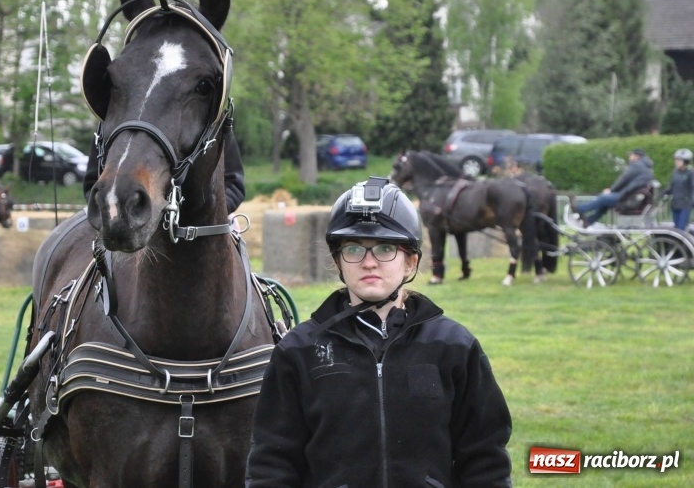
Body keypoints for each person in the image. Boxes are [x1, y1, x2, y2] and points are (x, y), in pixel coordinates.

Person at [245, 177, 512, 487]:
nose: (369, 262)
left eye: (385, 248)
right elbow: (271, 464)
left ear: (410, 261)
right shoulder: (299, 351)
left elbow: (485, 458)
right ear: (338, 261)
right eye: (355, 249)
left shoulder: (454, 347)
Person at [82, 126, 246, 213]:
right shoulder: (114, 118)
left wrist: (214, 214)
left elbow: (234, 185)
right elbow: (92, 185)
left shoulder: (211, 120)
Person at [571, 148, 655, 226]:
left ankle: (580, 209)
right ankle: (588, 221)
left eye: (631, 155)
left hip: (626, 199)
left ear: (636, 156)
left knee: (603, 198)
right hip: (632, 199)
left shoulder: (637, 165)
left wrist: (611, 190)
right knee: (605, 202)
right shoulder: (647, 169)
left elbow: (623, 180)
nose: (629, 157)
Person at [662, 148, 694, 231]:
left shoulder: (690, 173)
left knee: (681, 229)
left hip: (685, 205)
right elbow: (671, 187)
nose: (676, 162)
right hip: (675, 204)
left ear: (685, 162)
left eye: (679, 160)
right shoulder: (675, 172)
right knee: (676, 229)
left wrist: (691, 202)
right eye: (676, 160)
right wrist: (661, 195)